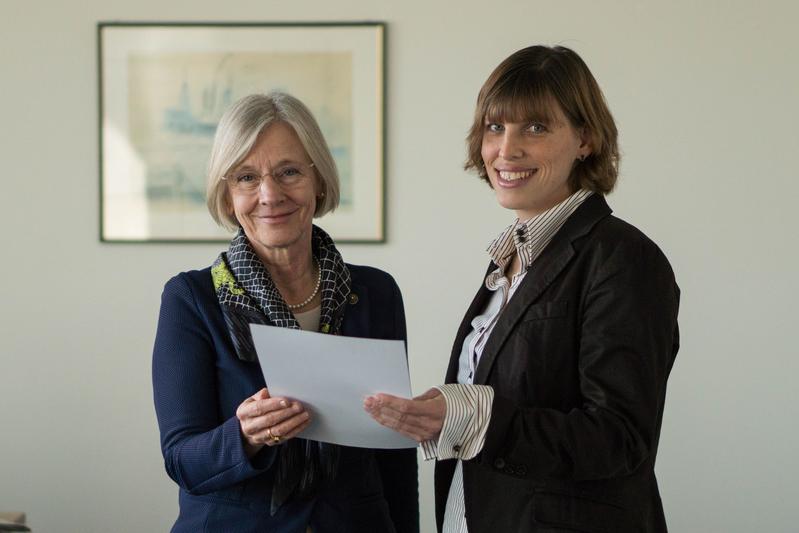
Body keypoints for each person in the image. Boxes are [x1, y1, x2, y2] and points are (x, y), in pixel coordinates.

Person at [364, 45, 680, 533]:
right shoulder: (508, 259)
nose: (506, 150)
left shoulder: (621, 258)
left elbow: (620, 438)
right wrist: (443, 413)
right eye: (495, 127)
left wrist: (473, 417)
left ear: (586, 139)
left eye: (535, 127)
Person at [153, 92, 418, 533]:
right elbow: (181, 459)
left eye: (289, 171)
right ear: (227, 193)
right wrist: (244, 437)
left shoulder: (376, 292)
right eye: (246, 177)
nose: (269, 194)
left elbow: (394, 451)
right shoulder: (191, 299)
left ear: (318, 180)